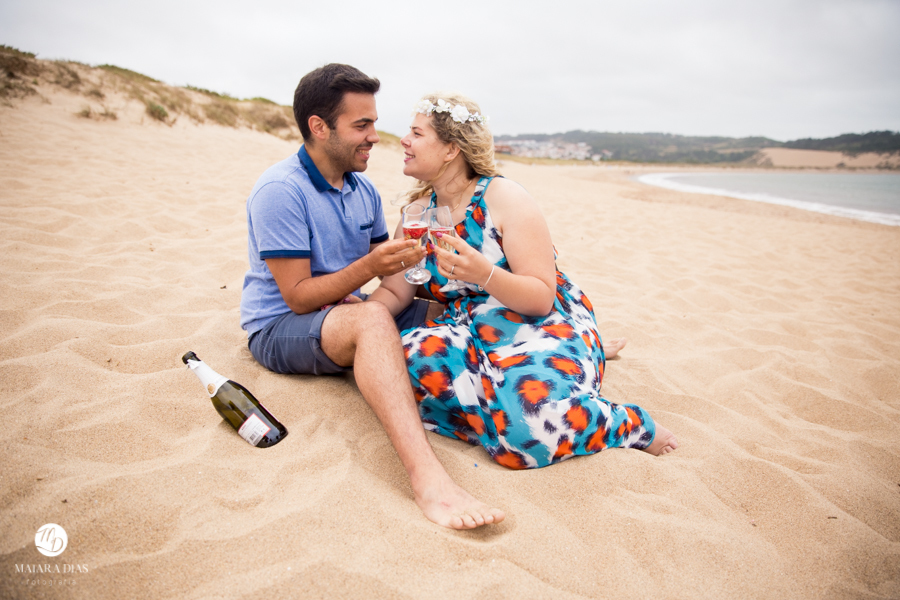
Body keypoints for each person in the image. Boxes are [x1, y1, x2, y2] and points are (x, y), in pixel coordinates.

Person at [239, 65, 505, 529]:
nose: (375, 137)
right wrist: (369, 272)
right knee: (373, 321)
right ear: (319, 127)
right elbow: (299, 298)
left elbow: (391, 265)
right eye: (361, 125)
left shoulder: (360, 188)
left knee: (455, 307)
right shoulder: (280, 191)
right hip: (280, 327)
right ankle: (429, 481)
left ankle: (563, 346)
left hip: (344, 312)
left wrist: (444, 258)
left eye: (374, 123)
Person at [368, 93, 678, 469]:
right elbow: (395, 292)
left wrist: (483, 273)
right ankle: (521, 402)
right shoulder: (417, 215)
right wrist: (358, 320)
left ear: (451, 149)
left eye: (416, 133)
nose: (403, 140)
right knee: (395, 367)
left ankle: (630, 425)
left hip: (536, 319)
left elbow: (541, 297)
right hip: (468, 328)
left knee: (529, 429)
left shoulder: (504, 198)